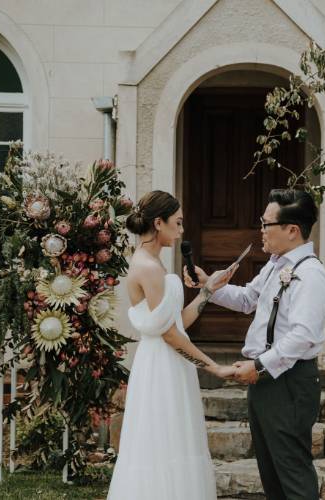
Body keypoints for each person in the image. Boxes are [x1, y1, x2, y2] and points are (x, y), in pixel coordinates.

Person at [185, 188, 325, 500]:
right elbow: (248, 299)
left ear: (292, 230)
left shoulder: (311, 274)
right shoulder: (276, 265)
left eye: (266, 224)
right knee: (271, 472)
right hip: (266, 380)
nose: (261, 230)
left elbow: (302, 335)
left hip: (289, 382)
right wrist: (207, 285)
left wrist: (260, 366)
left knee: (292, 471)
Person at [107, 190, 236, 500]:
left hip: (169, 365)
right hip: (161, 368)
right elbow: (169, 334)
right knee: (161, 445)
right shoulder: (149, 268)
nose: (181, 231)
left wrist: (207, 292)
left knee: (176, 441)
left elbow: (177, 322)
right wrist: (213, 366)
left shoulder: (153, 262)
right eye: (177, 223)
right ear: (158, 223)